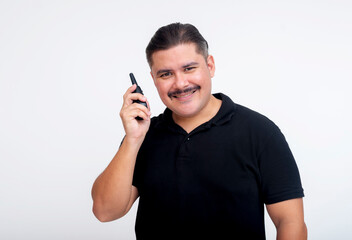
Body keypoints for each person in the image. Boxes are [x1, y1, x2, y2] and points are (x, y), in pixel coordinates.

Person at [92, 22, 307, 239]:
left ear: (210, 66)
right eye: (166, 74)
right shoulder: (142, 136)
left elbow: (290, 222)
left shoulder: (260, 132)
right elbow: (105, 211)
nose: (180, 83)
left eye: (189, 68)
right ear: (153, 80)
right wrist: (132, 140)